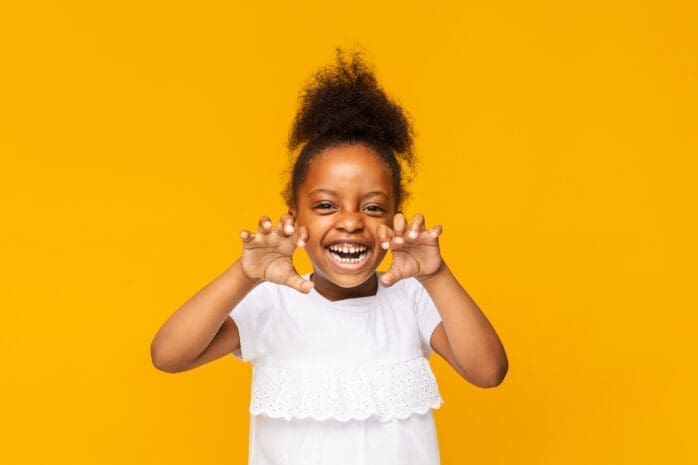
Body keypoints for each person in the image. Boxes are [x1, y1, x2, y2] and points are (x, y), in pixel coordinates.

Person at [151, 48, 508, 465]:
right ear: (294, 218)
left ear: (395, 220)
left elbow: (488, 373)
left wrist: (438, 275)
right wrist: (245, 275)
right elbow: (168, 356)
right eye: (325, 206)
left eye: (372, 207)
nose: (351, 222)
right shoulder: (271, 303)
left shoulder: (412, 300)